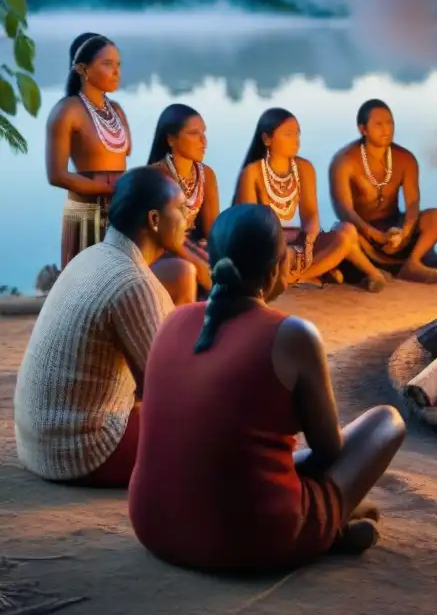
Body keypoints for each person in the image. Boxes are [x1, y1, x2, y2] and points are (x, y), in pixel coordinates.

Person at [128, 204, 406, 571]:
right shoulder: (293, 335)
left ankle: (328, 525)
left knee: (244, 453)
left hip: (154, 524)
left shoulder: (173, 319)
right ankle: (327, 531)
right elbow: (329, 451)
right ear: (277, 268)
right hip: (249, 540)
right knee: (387, 422)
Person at [13, 167, 192, 487]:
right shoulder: (132, 283)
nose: (187, 218)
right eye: (180, 209)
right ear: (153, 220)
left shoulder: (93, 256)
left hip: (38, 442)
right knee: (211, 434)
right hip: (82, 450)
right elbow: (166, 394)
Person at [234, 108, 387, 291]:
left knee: (347, 233)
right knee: (282, 256)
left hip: (299, 241)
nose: (296, 140)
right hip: (268, 247)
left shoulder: (304, 168)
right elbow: (252, 227)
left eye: (297, 134)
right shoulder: (252, 173)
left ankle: (298, 277)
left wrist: (308, 238)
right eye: (288, 134)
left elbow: (310, 213)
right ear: (267, 139)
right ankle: (335, 272)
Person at [329, 99, 437, 284]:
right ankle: (371, 273)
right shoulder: (344, 161)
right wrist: (374, 235)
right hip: (364, 235)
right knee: (341, 231)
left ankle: (413, 264)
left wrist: (405, 231)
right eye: (378, 124)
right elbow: (344, 210)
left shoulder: (405, 159)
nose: (386, 129)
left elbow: (412, 202)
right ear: (363, 129)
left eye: (390, 123)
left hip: (395, 229)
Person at [45, 33, 130, 268]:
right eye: (107, 64)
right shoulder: (66, 111)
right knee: (86, 284)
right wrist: (107, 189)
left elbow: (123, 154)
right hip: (87, 210)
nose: (116, 72)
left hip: (121, 206)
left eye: (118, 65)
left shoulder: (117, 110)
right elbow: (56, 175)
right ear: (83, 69)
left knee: (121, 281)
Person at [148, 104, 220, 293]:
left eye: (204, 133)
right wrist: (197, 258)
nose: (203, 141)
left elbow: (212, 230)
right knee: (197, 270)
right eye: (194, 134)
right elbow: (162, 237)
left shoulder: (207, 175)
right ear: (171, 139)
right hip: (162, 251)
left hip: (191, 247)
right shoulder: (156, 175)